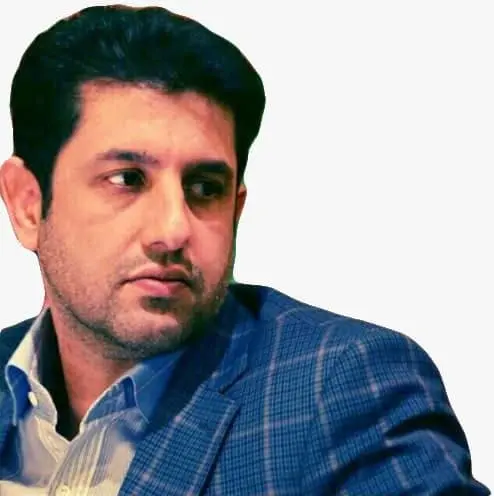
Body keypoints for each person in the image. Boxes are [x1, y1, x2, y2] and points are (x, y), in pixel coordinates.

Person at [0, 4, 490, 495]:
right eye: (128, 179)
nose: (173, 230)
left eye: (205, 188)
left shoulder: (344, 387)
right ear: (27, 205)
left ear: (235, 208)